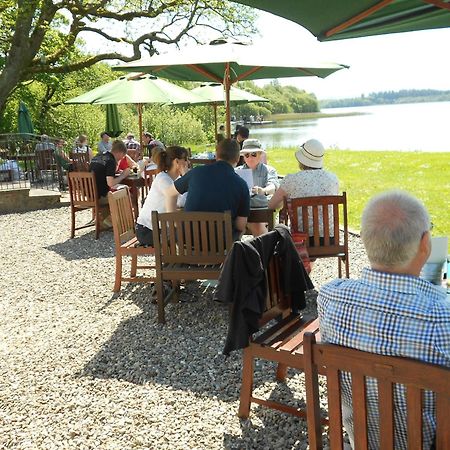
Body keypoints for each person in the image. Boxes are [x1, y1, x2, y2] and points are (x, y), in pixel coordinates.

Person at [318, 191, 449, 450]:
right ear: (426, 244)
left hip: (362, 441)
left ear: (364, 241)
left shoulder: (330, 296)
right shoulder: (441, 318)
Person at [165, 138, 250, 240]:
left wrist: (174, 222)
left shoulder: (196, 173)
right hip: (221, 247)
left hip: (188, 243)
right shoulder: (242, 185)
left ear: (216, 155)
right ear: (238, 159)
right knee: (240, 231)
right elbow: (240, 225)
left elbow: (169, 193)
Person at [268, 138, 339, 243]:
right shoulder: (333, 179)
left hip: (301, 240)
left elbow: (271, 206)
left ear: (301, 160)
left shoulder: (291, 180)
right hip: (330, 239)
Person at [136, 146, 189, 246]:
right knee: (186, 235)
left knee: (187, 233)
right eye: (185, 159)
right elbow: (181, 202)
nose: (188, 163)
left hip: (160, 228)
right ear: (177, 162)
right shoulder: (163, 179)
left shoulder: (174, 179)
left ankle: (182, 260)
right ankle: (179, 261)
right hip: (147, 231)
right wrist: (186, 178)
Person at [236, 139, 279, 236]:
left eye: (253, 154)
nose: (250, 158)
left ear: (260, 155)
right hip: (241, 211)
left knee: (257, 227)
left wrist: (263, 190)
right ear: (243, 156)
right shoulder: (236, 172)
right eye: (247, 155)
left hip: (260, 210)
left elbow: (273, 186)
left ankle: (261, 248)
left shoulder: (269, 170)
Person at [89, 140, 129, 205]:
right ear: (120, 153)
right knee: (127, 194)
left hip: (89, 195)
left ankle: (106, 215)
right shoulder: (111, 160)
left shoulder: (98, 156)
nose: (122, 158)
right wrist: (123, 175)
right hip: (100, 197)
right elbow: (111, 183)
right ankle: (122, 215)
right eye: (123, 156)